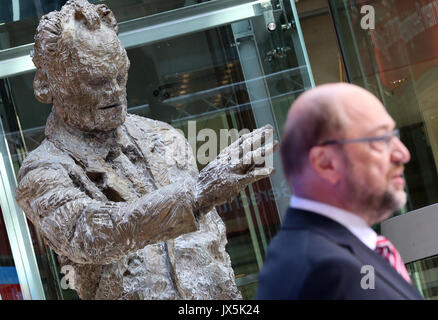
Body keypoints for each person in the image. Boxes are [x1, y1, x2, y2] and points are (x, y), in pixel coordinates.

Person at [15, 0, 277, 300]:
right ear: (47, 85)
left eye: (120, 76)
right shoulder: (42, 172)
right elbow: (90, 234)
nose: (115, 92)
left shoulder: (163, 136)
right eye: (96, 82)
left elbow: (210, 245)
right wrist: (197, 193)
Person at [256, 83, 423, 299]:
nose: (403, 154)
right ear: (326, 164)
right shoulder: (325, 271)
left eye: (394, 135)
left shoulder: (332, 254)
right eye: (381, 139)